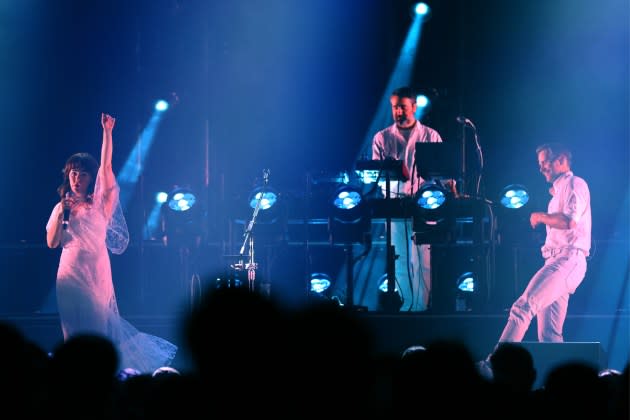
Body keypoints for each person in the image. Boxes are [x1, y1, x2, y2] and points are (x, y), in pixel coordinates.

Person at [46, 113, 177, 373]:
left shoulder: (100, 205)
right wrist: (61, 211)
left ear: (89, 178)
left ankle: (97, 375)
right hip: (69, 273)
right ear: (67, 176)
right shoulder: (61, 207)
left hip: (94, 273)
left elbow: (106, 168)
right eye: (73, 173)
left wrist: (107, 133)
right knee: (71, 332)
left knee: (95, 331)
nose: (77, 178)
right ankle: (73, 377)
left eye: (82, 174)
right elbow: (52, 243)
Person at [497, 142, 591, 343]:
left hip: (568, 260)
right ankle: (558, 372)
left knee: (523, 307)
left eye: (545, 162)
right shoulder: (557, 194)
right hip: (558, 261)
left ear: (562, 160)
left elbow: (569, 221)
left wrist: (540, 217)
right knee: (549, 335)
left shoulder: (575, 184)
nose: (541, 168)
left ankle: (494, 364)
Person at [371, 86, 446, 311]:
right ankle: (406, 307)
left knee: (422, 260)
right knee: (399, 259)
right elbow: (375, 174)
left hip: (423, 206)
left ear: (414, 107)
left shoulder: (430, 136)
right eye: (395, 107)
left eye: (403, 107)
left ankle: (421, 307)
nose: (399, 112)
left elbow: (442, 171)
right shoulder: (382, 137)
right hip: (395, 205)